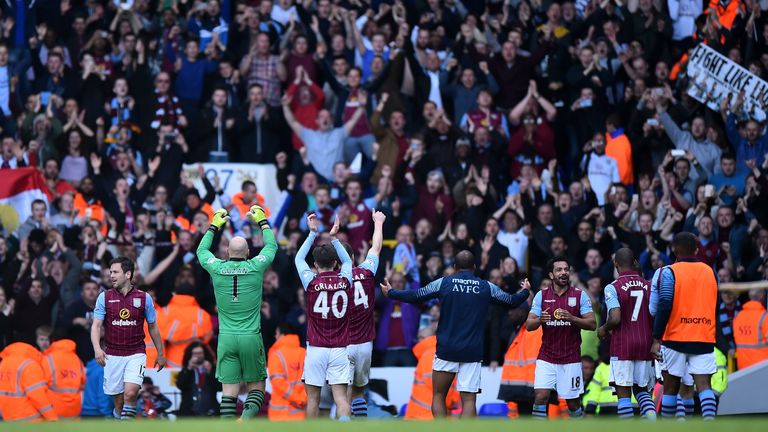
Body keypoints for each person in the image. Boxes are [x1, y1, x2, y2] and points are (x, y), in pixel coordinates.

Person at [381, 250, 530, 419]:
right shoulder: (485, 286)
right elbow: (512, 301)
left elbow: (417, 295)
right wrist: (525, 291)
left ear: (454, 267)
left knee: (438, 395)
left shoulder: (444, 283)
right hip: (472, 351)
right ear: (474, 268)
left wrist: (392, 293)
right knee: (468, 401)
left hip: (446, 349)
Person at [196, 205, 277, 420]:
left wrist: (214, 225)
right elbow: (271, 246)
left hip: (226, 338)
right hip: (250, 337)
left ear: (226, 253)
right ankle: (244, 422)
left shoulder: (217, 267)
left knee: (228, 394)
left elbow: (201, 251)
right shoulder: (256, 266)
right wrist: (262, 222)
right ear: (249, 253)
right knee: (258, 388)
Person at [652, 232, 719, 420]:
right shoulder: (709, 271)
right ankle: (708, 424)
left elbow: (664, 303)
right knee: (704, 385)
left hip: (676, 337)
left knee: (671, 387)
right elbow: (715, 302)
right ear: (696, 250)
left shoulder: (669, 271)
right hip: (703, 335)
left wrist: (657, 336)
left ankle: (669, 426)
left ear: (674, 250)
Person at [90, 257, 166, 420]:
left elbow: (153, 326)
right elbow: (96, 326)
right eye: (110, 272)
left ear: (128, 274)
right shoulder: (104, 297)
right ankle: (119, 421)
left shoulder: (144, 298)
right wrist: (97, 349)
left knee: (130, 394)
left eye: (115, 272)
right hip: (112, 355)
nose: (111, 276)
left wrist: (160, 353)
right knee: (118, 401)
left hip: (136, 353)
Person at [295, 214, 354, 420]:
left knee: (313, 399)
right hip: (339, 348)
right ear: (335, 263)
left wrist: (312, 233)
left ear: (316, 265)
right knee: (341, 398)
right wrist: (334, 238)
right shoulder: (346, 279)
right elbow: (348, 261)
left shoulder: (310, 282)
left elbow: (298, 258)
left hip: (316, 348)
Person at [526, 256, 596, 419]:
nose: (563, 273)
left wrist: (572, 318)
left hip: (570, 358)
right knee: (541, 397)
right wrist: (539, 320)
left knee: (573, 403)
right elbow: (529, 325)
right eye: (559, 270)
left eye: (566, 269)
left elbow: (592, 324)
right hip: (547, 357)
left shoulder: (580, 296)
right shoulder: (541, 296)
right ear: (551, 275)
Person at [596, 248, 656, 419]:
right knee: (642, 391)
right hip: (645, 343)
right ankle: (652, 420)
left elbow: (615, 318)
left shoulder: (613, 287)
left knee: (624, 394)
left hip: (623, 344)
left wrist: (603, 328)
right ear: (635, 263)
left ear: (616, 264)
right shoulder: (649, 285)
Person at [345, 210, 385, 417]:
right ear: (352, 258)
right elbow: (376, 247)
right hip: (365, 344)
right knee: (359, 392)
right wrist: (378, 222)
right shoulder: (367, 272)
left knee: (341, 395)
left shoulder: (332, 281)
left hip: (343, 344)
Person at [404, 328, 461, 420]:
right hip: (427, 417)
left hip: (423, 416)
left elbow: (438, 387)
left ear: (421, 339)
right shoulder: (437, 353)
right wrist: (454, 401)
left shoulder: (429, 354)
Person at [0, 342, 59, 422]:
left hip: (8, 418)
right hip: (30, 419)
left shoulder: (3, 364)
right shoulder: (30, 366)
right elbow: (38, 396)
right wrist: (52, 418)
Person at [267, 322, 307, 421]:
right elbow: (311, 381)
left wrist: (297, 399)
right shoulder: (304, 353)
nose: (275, 336)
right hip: (301, 413)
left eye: (276, 333)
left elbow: (278, 383)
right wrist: (301, 399)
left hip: (279, 415)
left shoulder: (276, 355)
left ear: (282, 335)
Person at [41, 337, 86, 419]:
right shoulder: (78, 360)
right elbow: (83, 383)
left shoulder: (48, 359)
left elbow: (40, 386)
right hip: (75, 410)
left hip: (54, 409)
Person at [176, 342, 220, 417]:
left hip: (210, 412)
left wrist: (209, 372)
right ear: (190, 355)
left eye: (200, 353)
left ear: (204, 354)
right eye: (195, 353)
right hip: (189, 413)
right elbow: (180, 385)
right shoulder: (186, 370)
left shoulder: (211, 368)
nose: (198, 356)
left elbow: (219, 387)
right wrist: (189, 368)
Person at [732, 289, 768, 370]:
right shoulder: (765, 317)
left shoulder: (738, 317)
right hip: (762, 368)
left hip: (743, 367)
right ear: (762, 296)